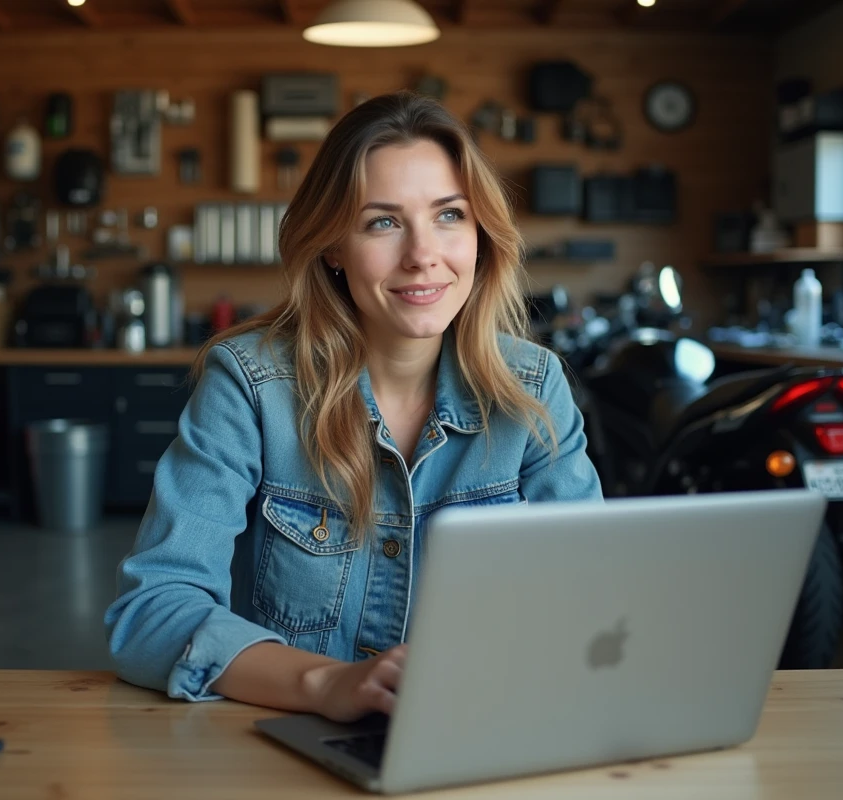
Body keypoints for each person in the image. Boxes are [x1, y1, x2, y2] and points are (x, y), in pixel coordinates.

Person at [104, 91, 602, 724]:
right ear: (333, 246)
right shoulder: (251, 385)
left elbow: (591, 600)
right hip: (287, 748)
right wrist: (327, 685)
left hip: (483, 734)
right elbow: (153, 612)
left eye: (449, 215)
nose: (423, 253)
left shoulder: (534, 387)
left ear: (481, 233)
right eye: (383, 222)